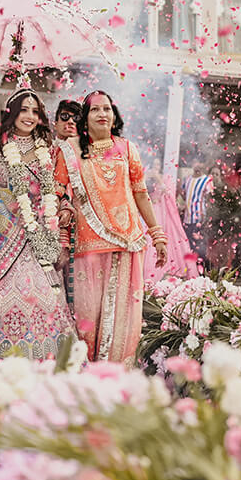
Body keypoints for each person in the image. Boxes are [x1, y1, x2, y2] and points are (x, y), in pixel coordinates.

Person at [54, 92, 167, 364]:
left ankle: (116, 382)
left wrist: (157, 234)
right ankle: (86, 384)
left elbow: (141, 194)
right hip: (88, 246)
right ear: (85, 116)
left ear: (114, 115)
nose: (102, 114)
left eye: (107, 109)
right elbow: (55, 194)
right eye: (95, 110)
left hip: (128, 244)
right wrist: (62, 216)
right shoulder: (68, 151)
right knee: (87, 319)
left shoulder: (127, 149)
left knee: (125, 322)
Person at [0, 87, 76, 359]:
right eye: (24, 109)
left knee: (46, 302)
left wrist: (64, 207)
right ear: (11, 113)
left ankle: (44, 368)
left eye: (35, 111)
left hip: (39, 241)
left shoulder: (50, 152)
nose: (29, 116)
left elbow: (62, 190)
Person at [52, 99, 82, 308]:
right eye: (65, 116)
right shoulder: (45, 148)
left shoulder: (86, 152)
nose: (70, 121)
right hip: (53, 221)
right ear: (55, 122)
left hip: (82, 225)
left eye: (76, 118)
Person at [181, 162, 213, 258]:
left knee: (199, 247)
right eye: (196, 163)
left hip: (199, 219)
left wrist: (206, 218)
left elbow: (210, 200)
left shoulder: (207, 180)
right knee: (188, 246)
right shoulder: (187, 179)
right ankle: (190, 270)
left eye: (200, 163)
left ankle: (200, 270)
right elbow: (183, 195)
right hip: (186, 218)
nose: (198, 166)